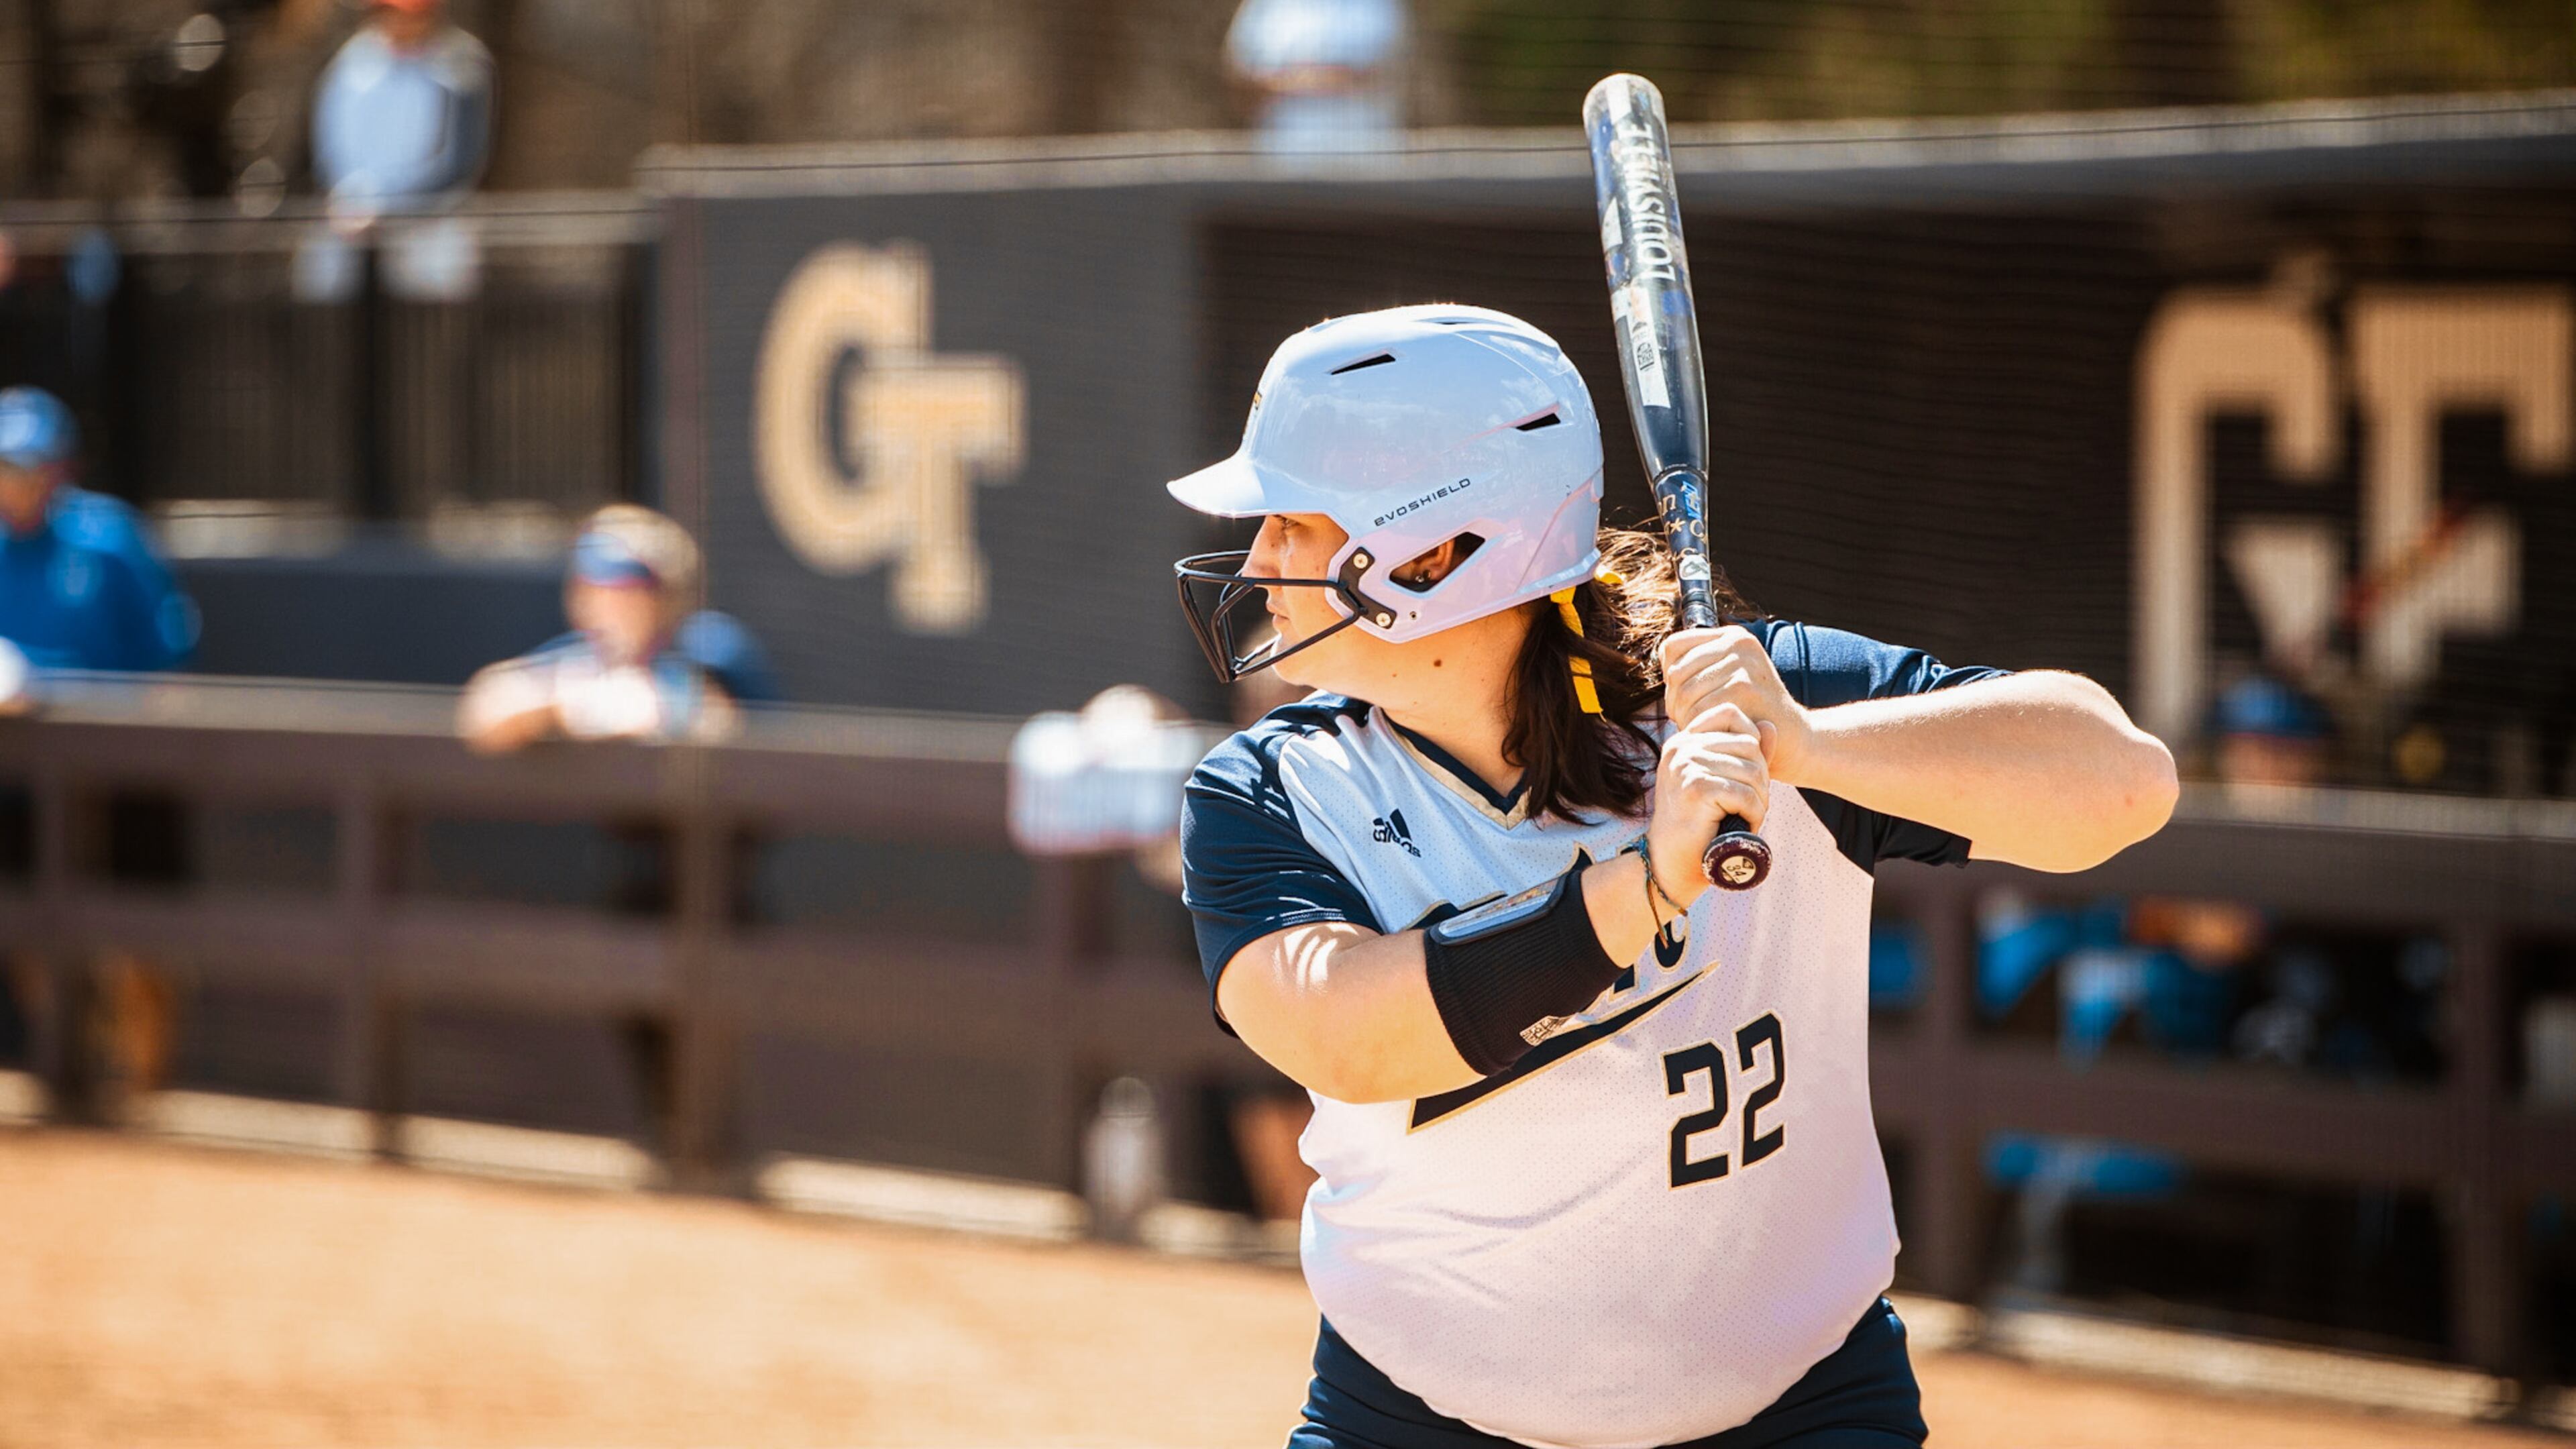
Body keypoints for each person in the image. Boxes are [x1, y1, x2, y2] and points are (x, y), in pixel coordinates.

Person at [1169, 306, 2177, 1448]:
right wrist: (1646, 884)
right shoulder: (1273, 787)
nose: (1259, 565)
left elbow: (2124, 783)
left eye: (1295, 525)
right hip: (1417, 1417)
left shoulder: (1753, 705)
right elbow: (1343, 1033)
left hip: (1797, 1412)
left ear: (1434, 554)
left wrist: (1808, 747)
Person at [0, 386, 200, 1115]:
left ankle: (143, 1092)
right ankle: (73, 1076)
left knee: (138, 943)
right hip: (21, 782)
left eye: (27, 464)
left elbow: (169, 659)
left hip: (120, 775)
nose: (15, 481)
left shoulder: (110, 539)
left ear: (59, 468)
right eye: (2, 465)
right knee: (28, 935)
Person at [458, 504, 773, 755]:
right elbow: (487, 708)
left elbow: (725, 730)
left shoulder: (708, 647)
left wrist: (656, 711)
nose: (613, 608)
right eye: (601, 593)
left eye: (632, 593)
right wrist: (566, 710)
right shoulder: (578, 660)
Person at [311, 0, 493, 217]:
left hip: (434, 216)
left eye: (407, 16)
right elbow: (331, 140)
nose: (396, 23)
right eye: (386, 13)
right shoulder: (355, 57)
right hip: (351, 212)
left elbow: (458, 159)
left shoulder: (461, 62)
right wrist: (352, 196)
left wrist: (389, 203)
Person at [1225, 0, 1409, 152]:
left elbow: (1381, 76)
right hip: (1283, 161)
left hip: (1363, 156)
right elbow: (1242, 78)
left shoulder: (1375, 6)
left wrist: (1290, 81)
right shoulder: (1266, 6)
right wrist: (1317, 79)